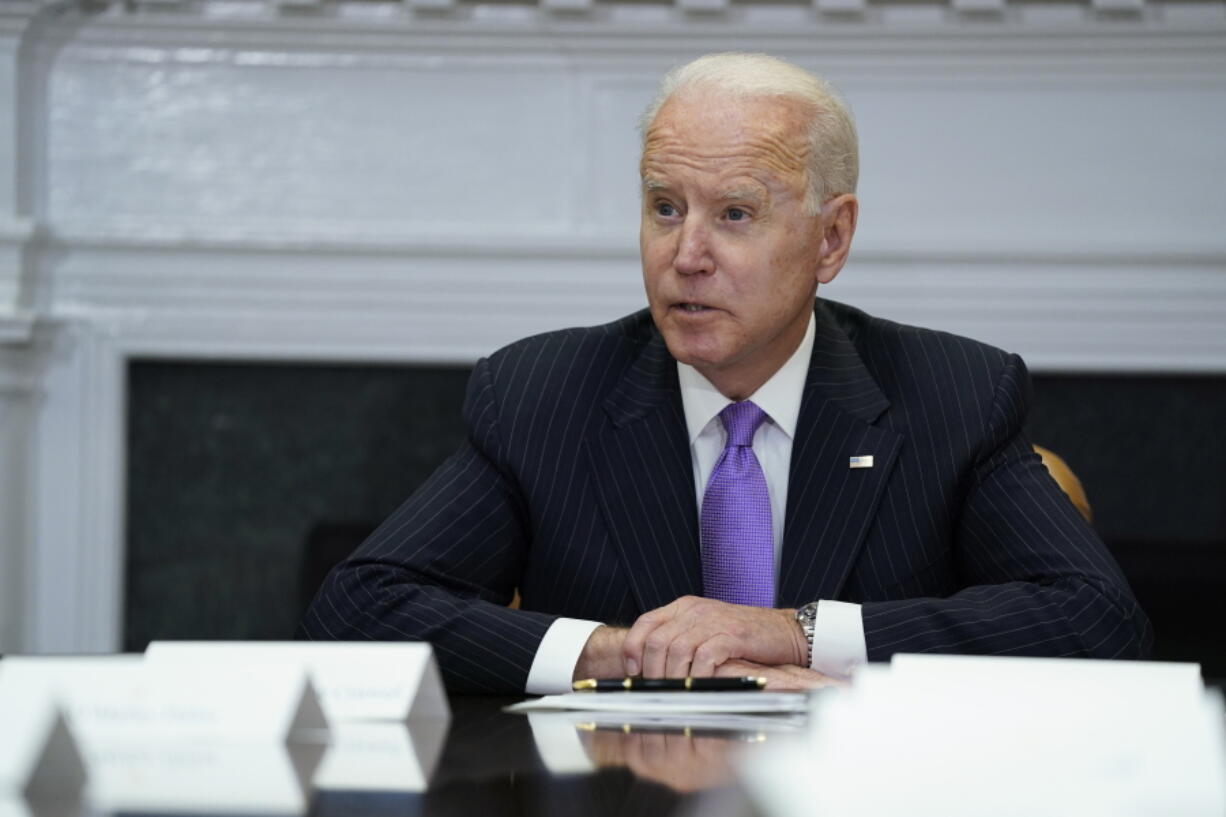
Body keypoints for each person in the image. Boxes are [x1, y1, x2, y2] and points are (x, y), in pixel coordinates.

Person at [299, 53, 1152, 694]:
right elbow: (358, 610)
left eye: (735, 214)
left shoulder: (953, 394)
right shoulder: (542, 392)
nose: (686, 254)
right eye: (664, 207)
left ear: (831, 238)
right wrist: (619, 650)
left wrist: (795, 635)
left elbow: (1096, 619)